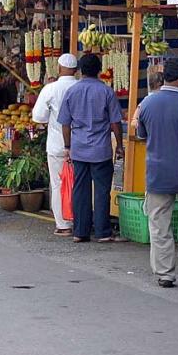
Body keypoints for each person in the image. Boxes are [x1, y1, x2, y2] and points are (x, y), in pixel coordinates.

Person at [136, 57, 178, 289]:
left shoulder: (147, 104)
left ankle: (165, 274)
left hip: (157, 174)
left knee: (160, 224)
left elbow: (142, 135)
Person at [58, 53, 125, 243]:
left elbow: (65, 123)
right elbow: (115, 122)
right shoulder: (106, 92)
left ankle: (80, 232)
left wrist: (67, 146)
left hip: (79, 148)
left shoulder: (71, 91)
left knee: (80, 189)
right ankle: (102, 232)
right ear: (99, 71)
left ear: (80, 70)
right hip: (100, 149)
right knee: (102, 190)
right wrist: (119, 145)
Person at [31, 53, 79, 236]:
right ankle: (80, 221)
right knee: (80, 183)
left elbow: (39, 116)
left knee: (58, 184)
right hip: (82, 144)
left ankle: (63, 225)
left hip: (57, 145)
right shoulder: (80, 86)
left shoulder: (51, 89)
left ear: (59, 68)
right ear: (76, 70)